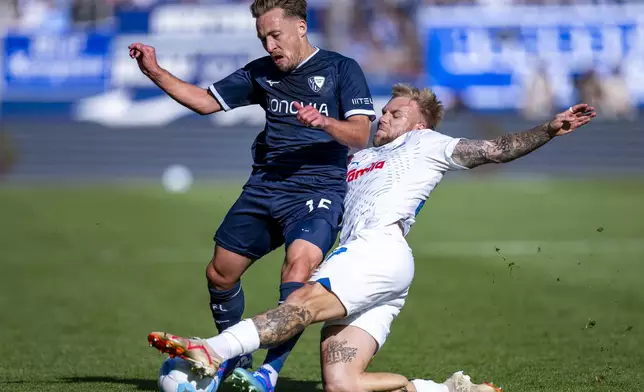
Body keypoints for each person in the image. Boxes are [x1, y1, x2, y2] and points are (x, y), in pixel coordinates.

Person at [147, 84, 596, 392]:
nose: (384, 117)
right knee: (342, 384)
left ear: (419, 124)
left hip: (376, 253)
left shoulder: (427, 144)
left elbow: (496, 150)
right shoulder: (359, 157)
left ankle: (212, 350)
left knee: (299, 304)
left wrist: (549, 129)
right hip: (375, 271)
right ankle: (439, 388)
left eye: (396, 113)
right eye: (384, 110)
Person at [129, 0, 375, 385]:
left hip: (318, 187)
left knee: (299, 269)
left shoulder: (342, 69)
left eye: (275, 35)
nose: (269, 46)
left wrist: (325, 122)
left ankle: (267, 373)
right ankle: (238, 357)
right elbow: (206, 102)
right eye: (263, 38)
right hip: (266, 185)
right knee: (220, 273)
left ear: (301, 28)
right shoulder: (261, 73)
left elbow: (361, 135)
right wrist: (155, 72)